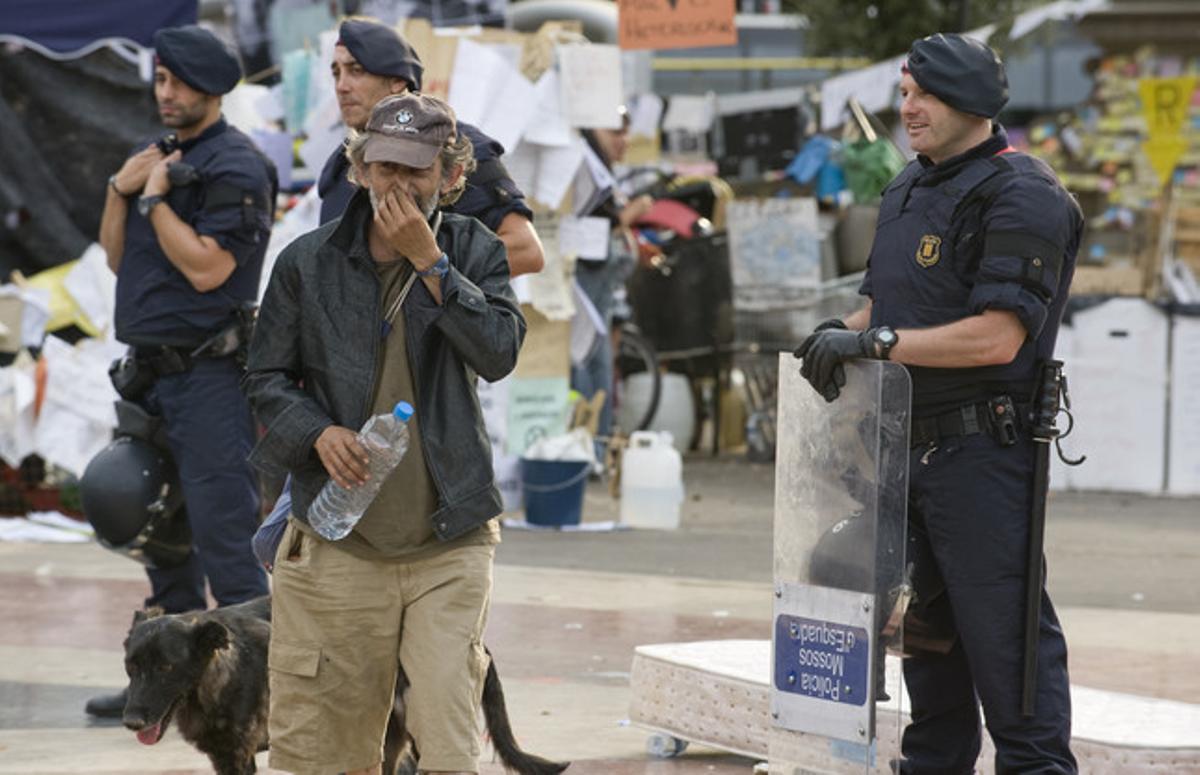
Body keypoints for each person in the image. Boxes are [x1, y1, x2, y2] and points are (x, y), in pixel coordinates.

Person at [793, 34, 1082, 774]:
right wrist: (839, 335)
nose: (908, 108)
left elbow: (997, 338)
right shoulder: (907, 186)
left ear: (969, 101)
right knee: (927, 649)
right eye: (904, 92)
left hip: (983, 457)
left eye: (923, 93)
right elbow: (880, 308)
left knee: (1006, 649)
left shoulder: (1024, 193)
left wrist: (877, 343)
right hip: (901, 452)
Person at [243, 93, 524, 775]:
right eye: (385, 166)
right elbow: (265, 379)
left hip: (447, 540)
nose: (399, 184)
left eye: (418, 171)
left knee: (448, 741)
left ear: (450, 178)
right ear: (360, 169)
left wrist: (432, 265)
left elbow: (498, 352)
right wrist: (317, 434)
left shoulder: (475, 251)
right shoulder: (305, 263)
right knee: (324, 752)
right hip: (338, 542)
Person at [86, 25, 275, 717]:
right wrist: (121, 187)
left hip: (210, 379)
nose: (165, 94)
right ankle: (162, 680)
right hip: (151, 377)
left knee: (226, 541)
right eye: (160, 80)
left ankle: (250, 692)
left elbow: (208, 268)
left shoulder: (235, 167)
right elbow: (115, 257)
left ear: (212, 89)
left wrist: (158, 200)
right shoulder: (156, 157)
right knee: (157, 530)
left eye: (178, 83)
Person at [318, 17, 544, 276]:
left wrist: (427, 271)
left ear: (397, 81)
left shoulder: (452, 147)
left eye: (356, 70)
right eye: (336, 73)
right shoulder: (343, 161)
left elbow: (526, 251)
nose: (342, 86)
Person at [573, 111, 653, 448]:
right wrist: (631, 214)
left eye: (626, 132)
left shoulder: (603, 172)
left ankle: (596, 443)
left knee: (597, 358)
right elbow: (604, 221)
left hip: (601, 291)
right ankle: (591, 442)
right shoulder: (584, 163)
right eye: (614, 131)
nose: (623, 139)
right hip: (586, 283)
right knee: (588, 359)